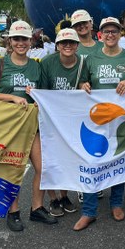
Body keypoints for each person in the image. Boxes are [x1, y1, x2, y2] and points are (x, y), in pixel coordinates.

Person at [0, 20, 57, 232]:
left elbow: (45, 95)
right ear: (10, 41)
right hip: (8, 126)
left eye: (24, 39)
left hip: (32, 125)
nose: (20, 43)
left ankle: (37, 208)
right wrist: (12, 98)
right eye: (16, 39)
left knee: (42, 167)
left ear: (30, 41)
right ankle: (13, 211)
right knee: (13, 170)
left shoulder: (36, 66)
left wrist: (37, 98)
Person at [74, 16, 125, 231]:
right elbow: (81, 82)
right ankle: (89, 211)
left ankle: (116, 204)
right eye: (107, 31)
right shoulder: (91, 58)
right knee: (91, 161)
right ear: (101, 34)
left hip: (121, 119)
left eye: (114, 31)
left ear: (120, 33)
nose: (110, 35)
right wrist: (83, 85)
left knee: (117, 161)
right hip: (96, 120)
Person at [38, 27, 87, 217]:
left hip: (72, 118)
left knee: (68, 159)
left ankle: (65, 195)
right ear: (57, 45)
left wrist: (84, 85)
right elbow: (43, 90)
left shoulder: (82, 62)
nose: (67, 46)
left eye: (71, 42)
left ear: (77, 45)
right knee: (50, 159)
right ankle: (53, 198)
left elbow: (84, 84)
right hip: (51, 117)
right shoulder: (47, 62)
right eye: (63, 42)